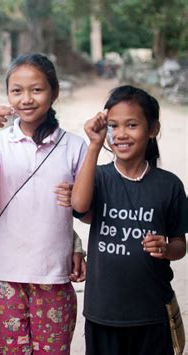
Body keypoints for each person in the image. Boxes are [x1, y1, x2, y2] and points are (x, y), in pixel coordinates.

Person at [0, 53, 87, 354]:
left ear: (54, 92)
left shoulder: (74, 147)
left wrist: (76, 201)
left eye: (36, 89)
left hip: (53, 273)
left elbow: (86, 211)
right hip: (3, 273)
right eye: (17, 91)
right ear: (7, 95)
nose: (26, 99)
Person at [71, 85, 187, 355]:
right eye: (113, 125)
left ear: (153, 129)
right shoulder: (98, 177)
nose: (121, 134)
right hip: (103, 313)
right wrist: (94, 145)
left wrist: (166, 249)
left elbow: (180, 244)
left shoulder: (169, 185)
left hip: (152, 312)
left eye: (132, 125)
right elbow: (78, 205)